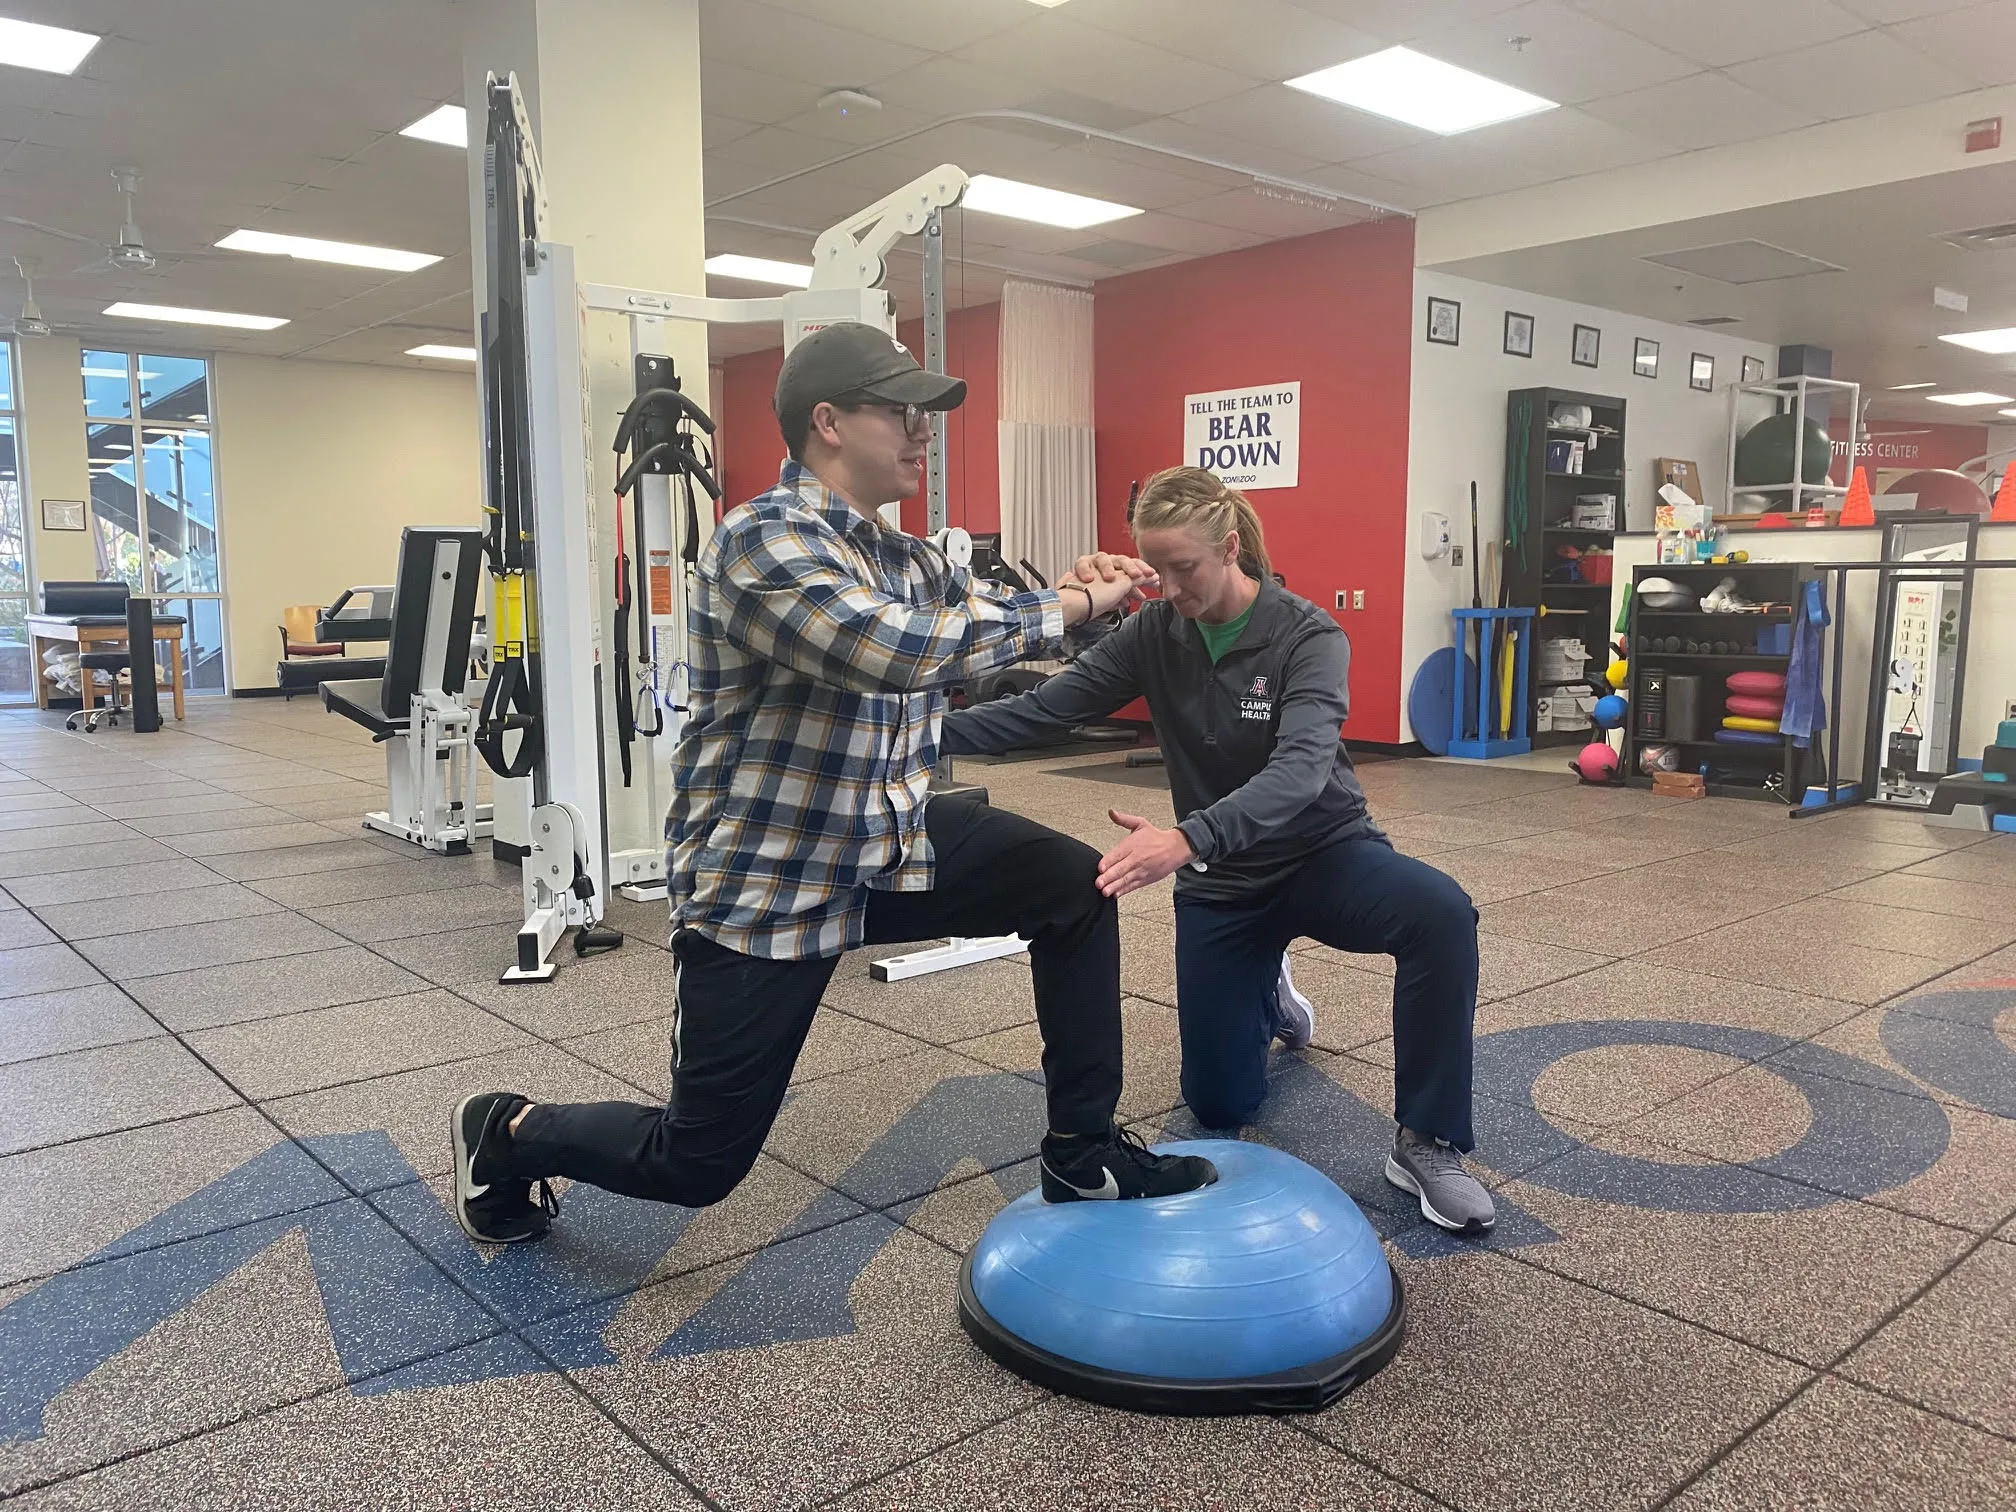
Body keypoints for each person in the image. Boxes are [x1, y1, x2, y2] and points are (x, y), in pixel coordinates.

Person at [450, 324, 1215, 1245]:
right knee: (697, 1162)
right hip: (772, 881)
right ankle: (506, 1129)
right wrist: (1067, 603)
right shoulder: (760, 540)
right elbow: (891, 650)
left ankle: (1081, 1154)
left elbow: (964, 642)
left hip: (889, 847)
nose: (922, 432)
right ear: (828, 423)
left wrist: (1071, 594)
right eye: (902, 412)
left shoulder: (908, 558)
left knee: (1072, 886)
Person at [942, 466, 1494, 1233]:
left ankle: (1428, 1143)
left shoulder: (1307, 634)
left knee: (1439, 912)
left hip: (1322, 853)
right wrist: (908, 736)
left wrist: (1186, 838)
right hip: (1224, 885)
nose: (1168, 588)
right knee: (1221, 1102)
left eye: (1185, 568)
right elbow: (1044, 713)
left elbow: (1300, 771)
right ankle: (1273, 991)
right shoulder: (1153, 631)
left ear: (1230, 548)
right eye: (1155, 570)